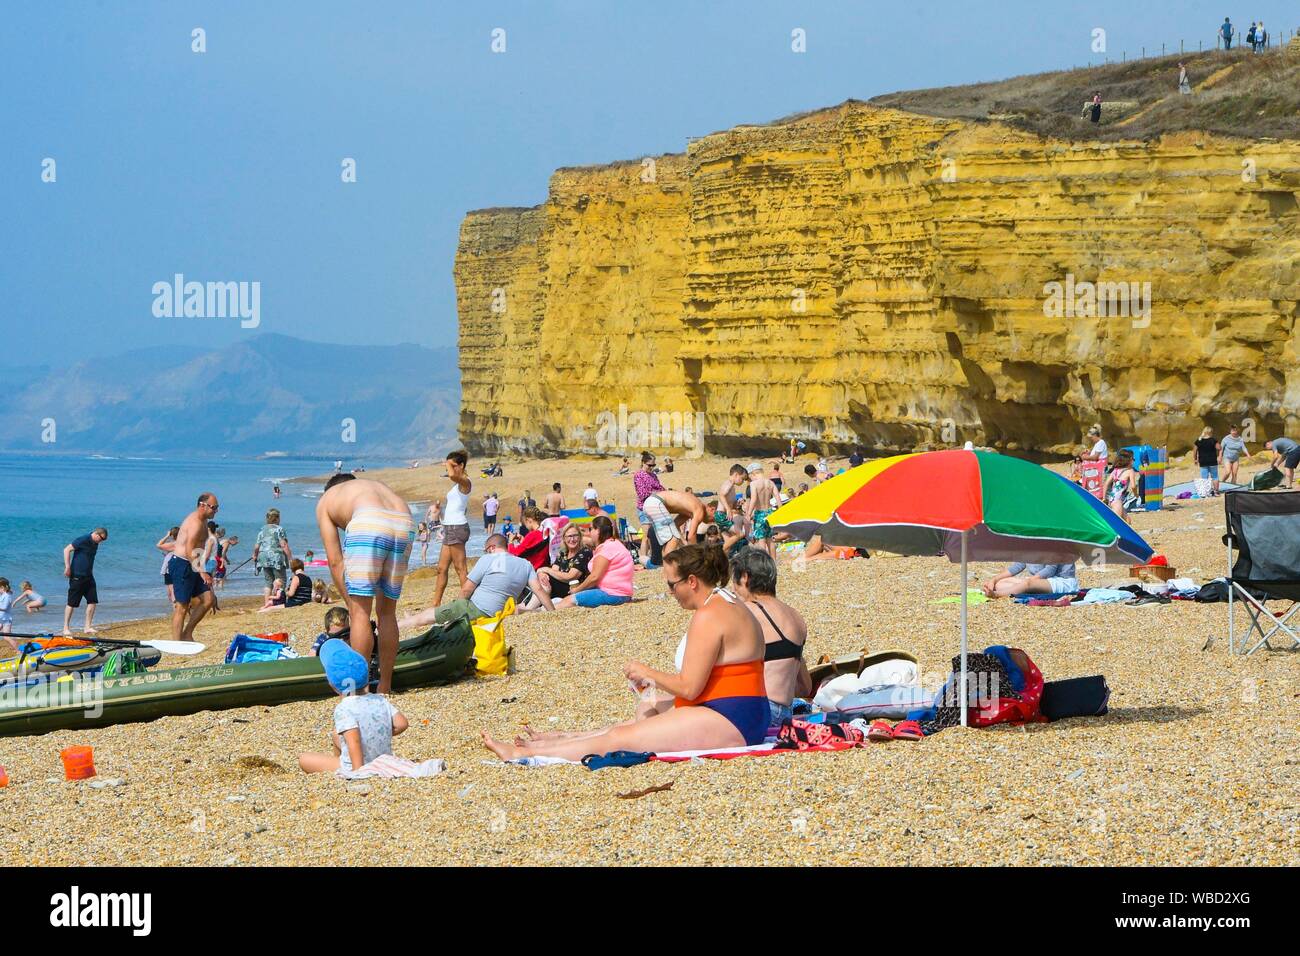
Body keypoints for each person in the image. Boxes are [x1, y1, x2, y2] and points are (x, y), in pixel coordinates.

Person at [481, 544, 768, 762]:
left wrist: (647, 673)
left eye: (672, 585)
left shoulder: (710, 614)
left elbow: (690, 688)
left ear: (692, 581)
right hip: (741, 709)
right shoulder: (729, 602)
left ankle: (529, 756)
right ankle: (553, 742)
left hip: (730, 718)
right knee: (640, 713)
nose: (671, 593)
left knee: (621, 738)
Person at [316, 474, 415, 695]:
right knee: (387, 613)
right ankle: (385, 685)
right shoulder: (373, 486)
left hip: (369, 522)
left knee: (360, 613)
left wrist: (350, 603)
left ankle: (360, 691)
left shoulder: (326, 499)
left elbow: (334, 561)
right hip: (404, 520)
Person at [299, 640, 409, 774]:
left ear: (333, 684)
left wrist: (359, 772)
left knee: (304, 759)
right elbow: (402, 723)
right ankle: (341, 760)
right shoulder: (379, 699)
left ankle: (344, 768)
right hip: (381, 758)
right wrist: (374, 734)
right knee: (336, 734)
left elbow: (354, 742)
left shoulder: (344, 708)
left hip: (360, 764)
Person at [729, 548, 811, 727]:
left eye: (733, 582)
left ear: (744, 577)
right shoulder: (795, 616)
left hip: (760, 712)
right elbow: (805, 687)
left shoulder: (748, 611)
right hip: (785, 713)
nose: (733, 590)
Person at [400, 533, 543, 630]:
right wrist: (552, 612)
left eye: (486, 550)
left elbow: (466, 589)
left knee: (429, 617)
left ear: (492, 548)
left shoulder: (488, 559)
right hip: (503, 612)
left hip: (478, 610)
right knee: (438, 611)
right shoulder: (525, 564)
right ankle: (413, 617)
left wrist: (458, 608)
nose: (486, 553)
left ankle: (401, 624)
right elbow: (539, 590)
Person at [166, 494, 219, 642]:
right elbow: (189, 550)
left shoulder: (204, 521)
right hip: (182, 564)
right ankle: (176, 643)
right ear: (203, 505)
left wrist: (200, 568)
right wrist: (202, 572)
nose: (216, 511)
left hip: (194, 563)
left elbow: (197, 550)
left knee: (208, 599)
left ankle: (187, 633)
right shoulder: (195, 522)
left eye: (217, 507)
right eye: (214, 507)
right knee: (182, 606)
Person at [556, 515, 634, 609]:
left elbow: (594, 577)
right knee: (567, 599)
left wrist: (577, 589)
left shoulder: (607, 548)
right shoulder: (613, 544)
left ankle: (546, 613)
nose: (589, 533)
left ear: (598, 530)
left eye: (590, 529)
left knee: (568, 601)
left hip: (613, 594)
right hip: (620, 592)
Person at [519, 525, 592, 612]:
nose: (572, 539)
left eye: (575, 535)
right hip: (557, 588)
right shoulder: (563, 553)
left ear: (580, 537)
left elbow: (571, 576)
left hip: (572, 589)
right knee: (545, 579)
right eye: (569, 536)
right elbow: (553, 571)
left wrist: (546, 570)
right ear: (564, 539)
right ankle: (529, 608)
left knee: (546, 581)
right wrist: (542, 573)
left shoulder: (584, 552)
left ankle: (529, 608)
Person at [432, 450, 472, 608]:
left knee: (460, 568)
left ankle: (467, 603)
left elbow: (452, 475)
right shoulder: (457, 485)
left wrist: (448, 464)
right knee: (441, 569)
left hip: (457, 527)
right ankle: (435, 604)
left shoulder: (465, 482)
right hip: (450, 527)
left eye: (454, 465)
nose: (450, 468)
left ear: (461, 466)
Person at [62, 527, 107, 636]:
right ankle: (66, 628)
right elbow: (66, 549)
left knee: (93, 601)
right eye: (101, 539)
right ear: (96, 534)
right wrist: (67, 567)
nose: (101, 542)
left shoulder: (95, 544)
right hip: (77, 575)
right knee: (71, 603)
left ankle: (87, 627)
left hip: (89, 576)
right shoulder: (83, 539)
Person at [641, 488, 705, 557]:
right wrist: (697, 557)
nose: (712, 521)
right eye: (713, 519)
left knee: (668, 542)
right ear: (711, 509)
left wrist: (684, 542)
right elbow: (691, 537)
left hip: (651, 503)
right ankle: (669, 566)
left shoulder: (689, 509)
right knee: (673, 538)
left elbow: (676, 525)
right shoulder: (699, 508)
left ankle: (666, 566)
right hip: (656, 503)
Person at [633, 451, 668, 563]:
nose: (652, 468)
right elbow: (642, 494)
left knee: (655, 535)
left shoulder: (653, 475)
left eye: (653, 465)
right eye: (650, 465)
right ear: (643, 463)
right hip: (644, 508)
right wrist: (657, 492)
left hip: (655, 508)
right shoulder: (638, 475)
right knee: (646, 536)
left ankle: (655, 558)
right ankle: (643, 559)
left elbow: (661, 488)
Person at [982, 561, 1080, 599]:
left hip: (1062, 581)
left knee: (1026, 583)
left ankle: (996, 595)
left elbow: (1050, 569)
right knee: (1000, 584)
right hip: (1042, 581)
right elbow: (1017, 566)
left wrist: (1028, 583)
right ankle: (1025, 588)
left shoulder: (1053, 540)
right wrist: (994, 580)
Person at [253, 507, 293, 599]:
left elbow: (257, 546)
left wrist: (254, 555)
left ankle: (267, 602)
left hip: (263, 556)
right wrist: (290, 558)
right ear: (277, 518)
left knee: (268, 581)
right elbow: (283, 545)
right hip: (276, 557)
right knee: (281, 580)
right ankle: (279, 600)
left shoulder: (262, 530)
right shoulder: (279, 529)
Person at [745, 462, 781, 557]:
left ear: (753, 474)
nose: (750, 479)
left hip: (760, 513)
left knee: (761, 539)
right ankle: (773, 562)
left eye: (750, 477)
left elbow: (753, 500)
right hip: (770, 512)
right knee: (770, 539)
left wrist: (748, 514)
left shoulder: (754, 484)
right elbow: (778, 498)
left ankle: (764, 562)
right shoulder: (770, 482)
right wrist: (781, 511)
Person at [716, 464, 750, 548]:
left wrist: (737, 504)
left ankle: (726, 556)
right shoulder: (729, 484)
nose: (742, 482)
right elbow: (721, 495)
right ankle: (721, 550)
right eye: (742, 479)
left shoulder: (732, 487)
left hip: (724, 515)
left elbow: (731, 502)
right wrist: (728, 509)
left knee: (729, 540)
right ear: (736, 475)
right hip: (722, 515)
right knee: (740, 534)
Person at [1104, 449, 1140, 519]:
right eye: (1133, 459)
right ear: (1129, 461)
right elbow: (1133, 486)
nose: (1134, 461)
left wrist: (1104, 498)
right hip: (1118, 501)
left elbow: (1106, 484)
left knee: (1127, 520)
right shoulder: (1130, 471)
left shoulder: (1115, 470)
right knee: (1116, 522)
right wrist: (1136, 495)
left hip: (1111, 499)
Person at [1194, 427, 1221, 496]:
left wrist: (1195, 459)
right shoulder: (1213, 440)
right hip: (1212, 461)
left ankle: (1205, 492)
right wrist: (1219, 456)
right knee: (1215, 477)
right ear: (1211, 432)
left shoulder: (1199, 440)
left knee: (1204, 477)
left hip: (1203, 461)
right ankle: (1216, 492)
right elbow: (1219, 448)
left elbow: (1194, 451)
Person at [157, 526, 180, 603]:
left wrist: (167, 536)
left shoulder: (174, 544)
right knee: (170, 593)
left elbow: (158, 545)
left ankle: (177, 610)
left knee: (172, 592)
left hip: (170, 569)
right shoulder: (180, 544)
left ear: (172, 535)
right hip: (171, 569)